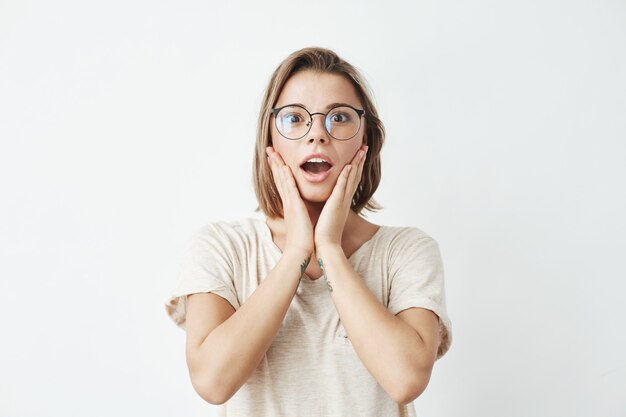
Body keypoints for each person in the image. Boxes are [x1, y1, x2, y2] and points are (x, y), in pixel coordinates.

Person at [165, 47, 452, 417]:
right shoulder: (222, 246)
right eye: (295, 118)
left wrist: (329, 250)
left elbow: (405, 379)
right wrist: (297, 252)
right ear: (269, 139)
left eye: (340, 118)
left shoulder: (407, 250)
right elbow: (213, 382)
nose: (317, 134)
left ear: (366, 141)